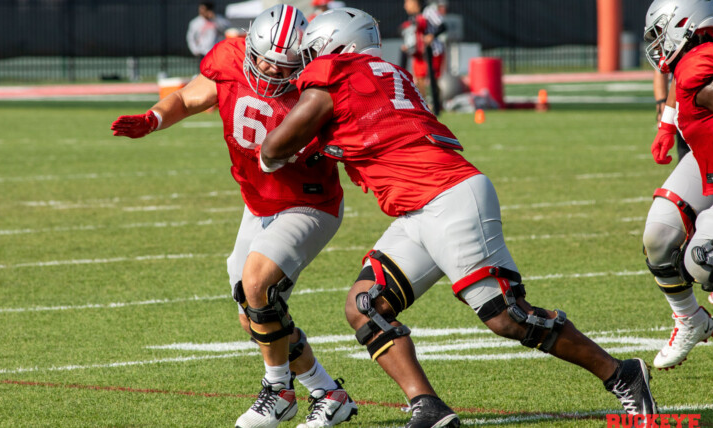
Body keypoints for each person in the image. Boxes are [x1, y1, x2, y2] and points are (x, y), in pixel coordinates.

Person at [260, 8, 658, 426]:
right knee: (365, 306)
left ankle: (622, 375)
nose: (304, 63)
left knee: (507, 317)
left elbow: (273, 149)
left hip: (445, 197)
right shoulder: (379, 71)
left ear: (334, 46)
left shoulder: (335, 72)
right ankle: (428, 407)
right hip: (419, 206)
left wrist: (275, 150)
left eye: (311, 52)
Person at [112, 5, 358, 428]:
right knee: (253, 311)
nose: (269, 70)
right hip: (258, 202)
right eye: (263, 59)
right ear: (250, 46)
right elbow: (190, 97)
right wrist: (154, 118)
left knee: (258, 284)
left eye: (283, 66)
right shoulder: (229, 57)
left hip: (308, 202)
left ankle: (278, 390)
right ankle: (327, 393)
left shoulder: (318, 79)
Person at [643, 0, 713, 369]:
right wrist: (668, 122)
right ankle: (690, 319)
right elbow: (688, 70)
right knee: (660, 233)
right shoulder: (699, 51)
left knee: (706, 257)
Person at [401, 0, 444, 112]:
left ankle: (436, 104)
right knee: (419, 78)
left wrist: (431, 36)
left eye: (408, 2)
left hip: (433, 51)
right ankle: (423, 105)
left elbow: (443, 26)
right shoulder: (412, 17)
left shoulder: (429, 12)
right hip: (419, 53)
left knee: (432, 80)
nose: (405, 6)